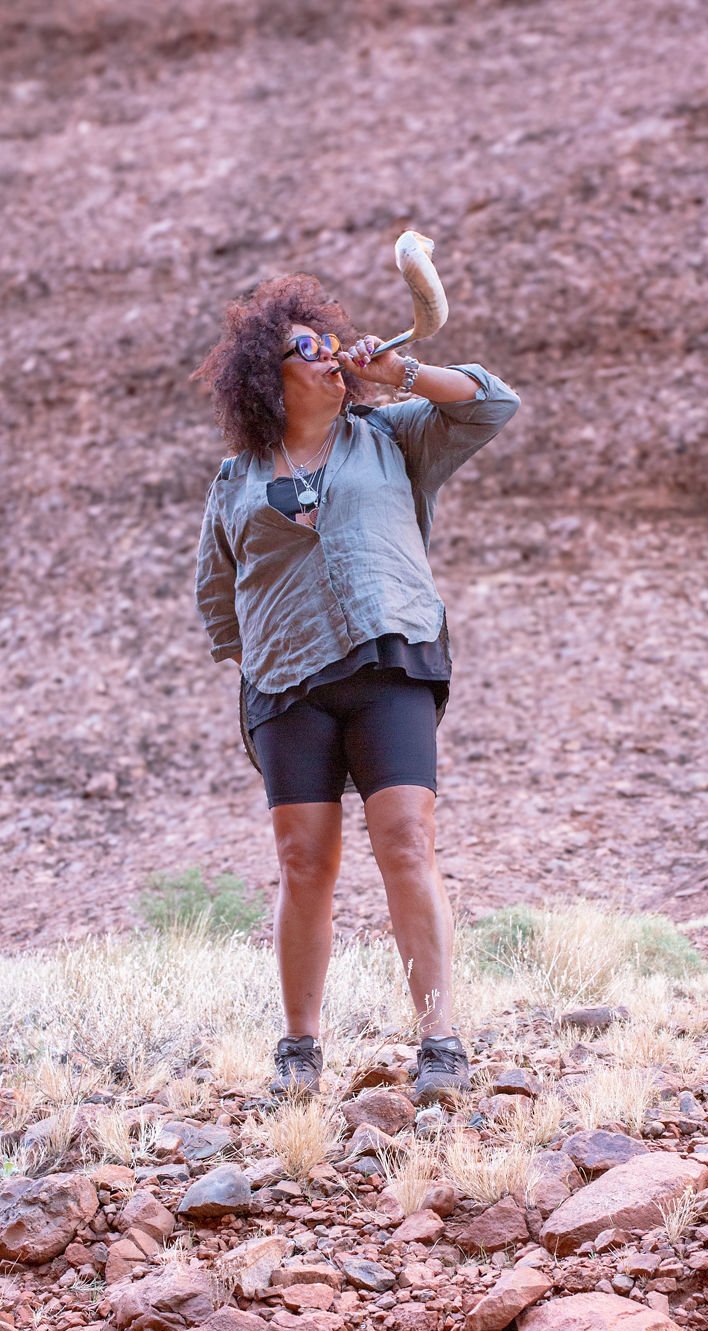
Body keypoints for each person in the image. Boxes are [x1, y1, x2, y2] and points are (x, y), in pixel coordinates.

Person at [193, 274, 519, 1102]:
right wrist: (265, 656)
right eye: (308, 347)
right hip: (285, 683)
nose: (329, 355)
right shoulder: (235, 478)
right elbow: (216, 596)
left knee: (406, 839)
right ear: (269, 376)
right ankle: (300, 1049)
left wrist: (397, 374)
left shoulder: (391, 436)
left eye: (329, 341)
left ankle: (439, 1041)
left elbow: (490, 403)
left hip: (389, 661)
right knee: (305, 862)